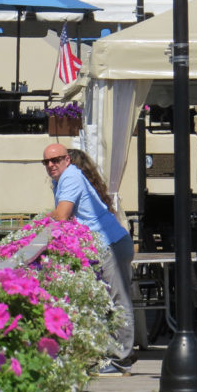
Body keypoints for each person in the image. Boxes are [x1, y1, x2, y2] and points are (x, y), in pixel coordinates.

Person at [42, 143, 136, 374]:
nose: (51, 165)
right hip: (103, 246)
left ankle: (122, 358)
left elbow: (62, 215)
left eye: (56, 159)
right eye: (47, 162)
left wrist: (38, 225)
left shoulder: (71, 177)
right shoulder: (62, 180)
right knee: (104, 302)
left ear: (67, 160)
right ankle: (107, 355)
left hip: (110, 245)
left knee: (117, 301)